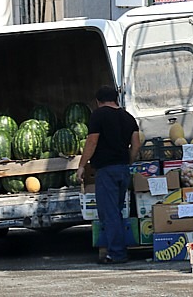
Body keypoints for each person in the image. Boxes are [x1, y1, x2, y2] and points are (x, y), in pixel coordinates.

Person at [77, 85, 141, 264]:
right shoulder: (128, 117)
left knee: (109, 213)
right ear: (116, 99)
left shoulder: (98, 115)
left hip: (107, 171)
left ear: (98, 101)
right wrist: (129, 161)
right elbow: (136, 144)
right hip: (123, 170)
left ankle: (117, 254)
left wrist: (82, 165)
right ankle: (119, 249)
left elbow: (92, 142)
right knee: (118, 211)